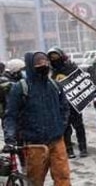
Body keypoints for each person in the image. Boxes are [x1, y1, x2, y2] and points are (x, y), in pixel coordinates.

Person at [3, 51, 71, 186]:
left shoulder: (54, 86)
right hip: (35, 145)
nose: (44, 65)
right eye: (39, 63)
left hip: (57, 142)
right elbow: (10, 116)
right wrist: (10, 138)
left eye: (45, 62)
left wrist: (60, 126)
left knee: (63, 178)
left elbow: (65, 108)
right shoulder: (20, 88)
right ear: (30, 66)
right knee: (35, 181)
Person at [47, 46, 88, 158]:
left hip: (75, 103)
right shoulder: (50, 72)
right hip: (61, 105)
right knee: (65, 128)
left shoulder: (71, 67)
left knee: (79, 126)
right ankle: (69, 150)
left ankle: (83, 148)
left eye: (56, 57)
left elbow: (81, 81)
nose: (54, 59)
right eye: (52, 58)